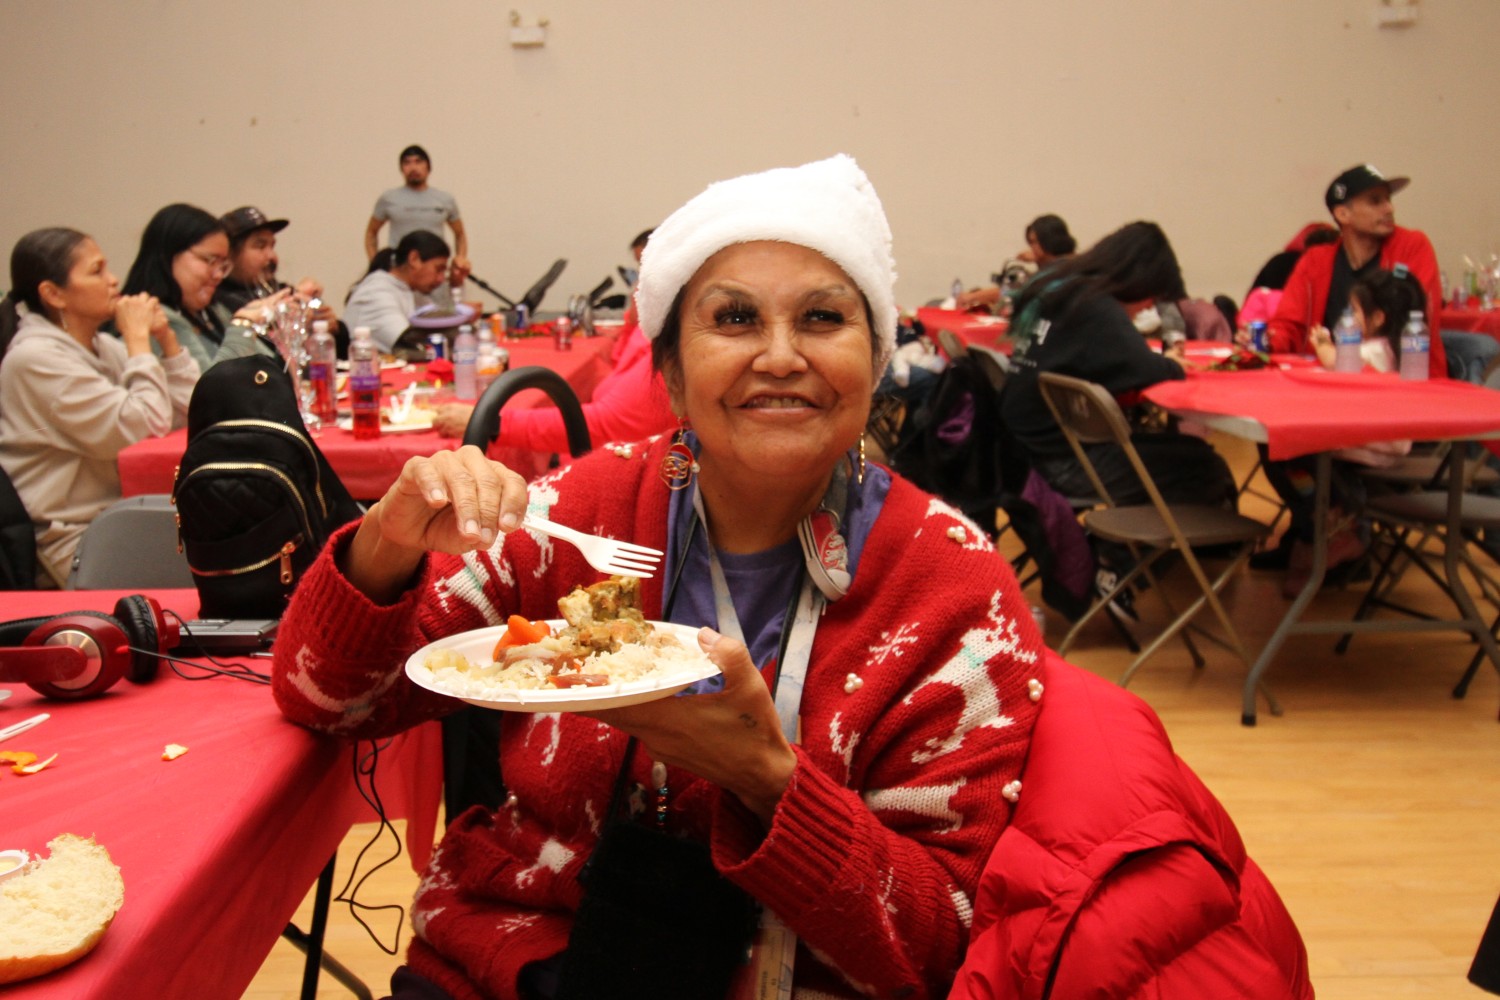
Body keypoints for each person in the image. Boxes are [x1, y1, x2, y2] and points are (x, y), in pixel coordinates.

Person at [272, 154, 1049, 999]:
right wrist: (386, 541)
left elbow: (942, 941)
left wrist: (764, 777)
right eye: (736, 319)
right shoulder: (583, 515)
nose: (782, 356)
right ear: (672, 373)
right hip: (517, 962)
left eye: (823, 317)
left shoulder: (952, 590)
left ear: (876, 356)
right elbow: (335, 699)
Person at [0, 227, 198, 587]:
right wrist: (138, 341)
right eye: (97, 271)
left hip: (119, 516)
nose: (114, 280)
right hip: (72, 538)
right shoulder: (34, 358)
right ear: (53, 294)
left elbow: (190, 412)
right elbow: (141, 427)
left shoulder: (104, 346)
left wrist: (167, 342)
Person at [1000, 220, 1237, 511]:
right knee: (1206, 467)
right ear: (1139, 279)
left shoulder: (1056, 283)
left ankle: (1131, 549)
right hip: (1059, 463)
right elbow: (1147, 369)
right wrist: (1172, 364)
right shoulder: (1095, 305)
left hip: (1021, 450)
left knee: (1180, 450)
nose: (1148, 307)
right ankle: (1139, 553)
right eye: (1151, 297)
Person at [1256, 267, 1424, 595]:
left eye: (1355, 312)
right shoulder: (1395, 350)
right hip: (1370, 441)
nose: (1348, 318)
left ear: (1377, 318)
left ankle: (1331, 522)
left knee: (1285, 451)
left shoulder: (1374, 351)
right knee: (1286, 450)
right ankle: (1326, 520)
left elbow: (1336, 360)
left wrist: (1322, 343)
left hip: (1372, 444)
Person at [1267, 164, 1448, 378]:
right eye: (1375, 201)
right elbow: (1288, 324)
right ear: (1343, 214)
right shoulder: (1315, 260)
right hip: (1326, 378)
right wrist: (1266, 341)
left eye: (1388, 199)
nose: (1389, 209)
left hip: (1400, 379)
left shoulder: (1412, 245)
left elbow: (1414, 315)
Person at [429, 324, 677, 456]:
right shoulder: (653, 331)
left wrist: (493, 424)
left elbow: (603, 426)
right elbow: (617, 367)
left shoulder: (672, 354)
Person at [121, 203, 287, 372]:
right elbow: (209, 390)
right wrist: (243, 325)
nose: (218, 275)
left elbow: (271, 367)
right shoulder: (154, 318)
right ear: (169, 255)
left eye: (223, 265)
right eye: (210, 260)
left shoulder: (212, 310)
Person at [216, 205, 345, 351]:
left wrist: (331, 328)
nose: (271, 256)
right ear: (230, 253)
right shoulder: (216, 302)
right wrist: (288, 307)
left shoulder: (279, 289)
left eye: (272, 246)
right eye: (260, 246)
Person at [364, 145, 469, 277]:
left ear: (428, 167)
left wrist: (460, 259)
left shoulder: (445, 199)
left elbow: (460, 234)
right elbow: (371, 233)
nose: (413, 167)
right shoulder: (388, 199)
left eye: (418, 162)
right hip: (401, 271)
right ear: (402, 169)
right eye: (407, 163)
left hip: (434, 272)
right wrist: (376, 265)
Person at [342, 230, 452, 355]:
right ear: (414, 259)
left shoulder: (412, 291)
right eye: (439, 269)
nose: (441, 279)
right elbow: (412, 345)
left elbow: (441, 325)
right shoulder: (376, 292)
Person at [955, 214, 1076, 312]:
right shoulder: (1053, 267)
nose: (1031, 249)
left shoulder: (1067, 269)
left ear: (1048, 241)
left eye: (1033, 242)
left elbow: (1017, 291)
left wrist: (973, 297)